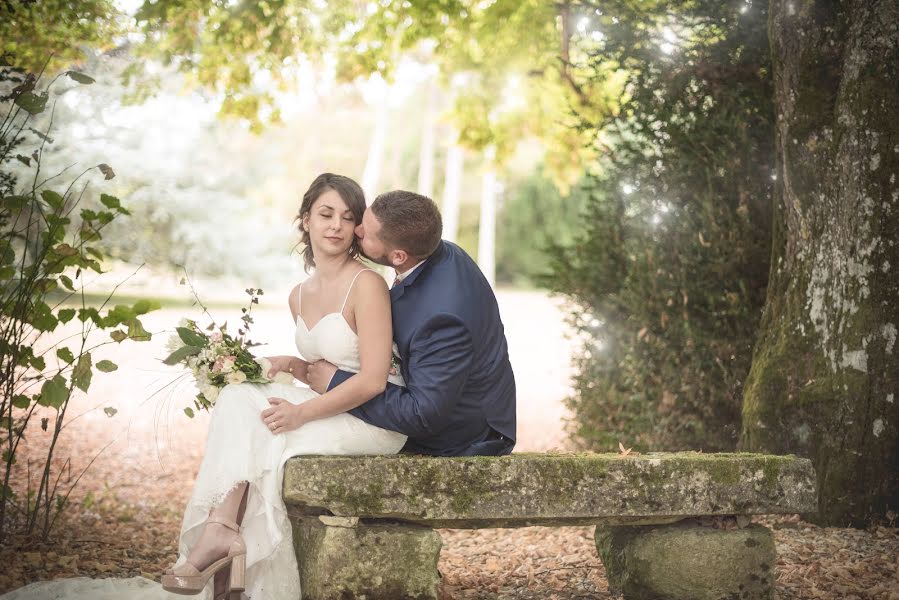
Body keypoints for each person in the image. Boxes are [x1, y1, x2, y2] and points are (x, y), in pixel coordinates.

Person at [161, 173, 406, 600]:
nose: (335, 226)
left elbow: (371, 379)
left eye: (347, 218)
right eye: (326, 214)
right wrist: (286, 363)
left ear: (356, 229)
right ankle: (223, 533)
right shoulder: (299, 293)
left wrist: (300, 413)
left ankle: (224, 543)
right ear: (305, 219)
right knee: (239, 396)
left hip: (372, 418)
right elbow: (317, 364)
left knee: (266, 431)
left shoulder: (367, 285)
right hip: (327, 403)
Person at [306, 190, 517, 457]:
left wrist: (335, 382)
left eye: (366, 233)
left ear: (398, 257)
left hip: (460, 435)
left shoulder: (442, 318)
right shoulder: (434, 248)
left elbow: (423, 415)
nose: (356, 230)